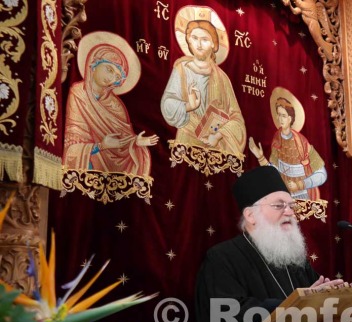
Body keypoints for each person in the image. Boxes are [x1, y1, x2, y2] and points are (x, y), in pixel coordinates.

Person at [195, 166, 341, 322]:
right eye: (279, 205)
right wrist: (296, 304)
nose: (289, 212)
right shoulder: (222, 258)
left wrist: (330, 298)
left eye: (291, 206)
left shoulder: (294, 260)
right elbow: (227, 313)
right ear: (251, 215)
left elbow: (315, 301)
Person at [64, 41, 158, 175]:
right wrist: (101, 146)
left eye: (117, 77)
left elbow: (122, 142)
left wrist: (135, 142)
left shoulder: (115, 105)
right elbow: (71, 145)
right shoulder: (78, 94)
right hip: (86, 166)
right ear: (94, 64)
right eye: (109, 69)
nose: (111, 78)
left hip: (112, 169)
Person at [161, 18, 246, 155]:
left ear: (213, 44)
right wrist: (189, 106)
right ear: (189, 40)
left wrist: (218, 135)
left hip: (214, 148)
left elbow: (236, 119)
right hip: (187, 142)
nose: (199, 44)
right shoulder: (181, 70)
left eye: (205, 39)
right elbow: (167, 104)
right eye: (195, 38)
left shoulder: (222, 78)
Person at [249, 91, 326, 200]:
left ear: (290, 119)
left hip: (302, 196)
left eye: (284, 116)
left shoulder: (302, 142)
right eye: (279, 114)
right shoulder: (276, 140)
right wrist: (260, 157)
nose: (280, 119)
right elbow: (274, 173)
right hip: (282, 196)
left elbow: (322, 174)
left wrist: (300, 185)